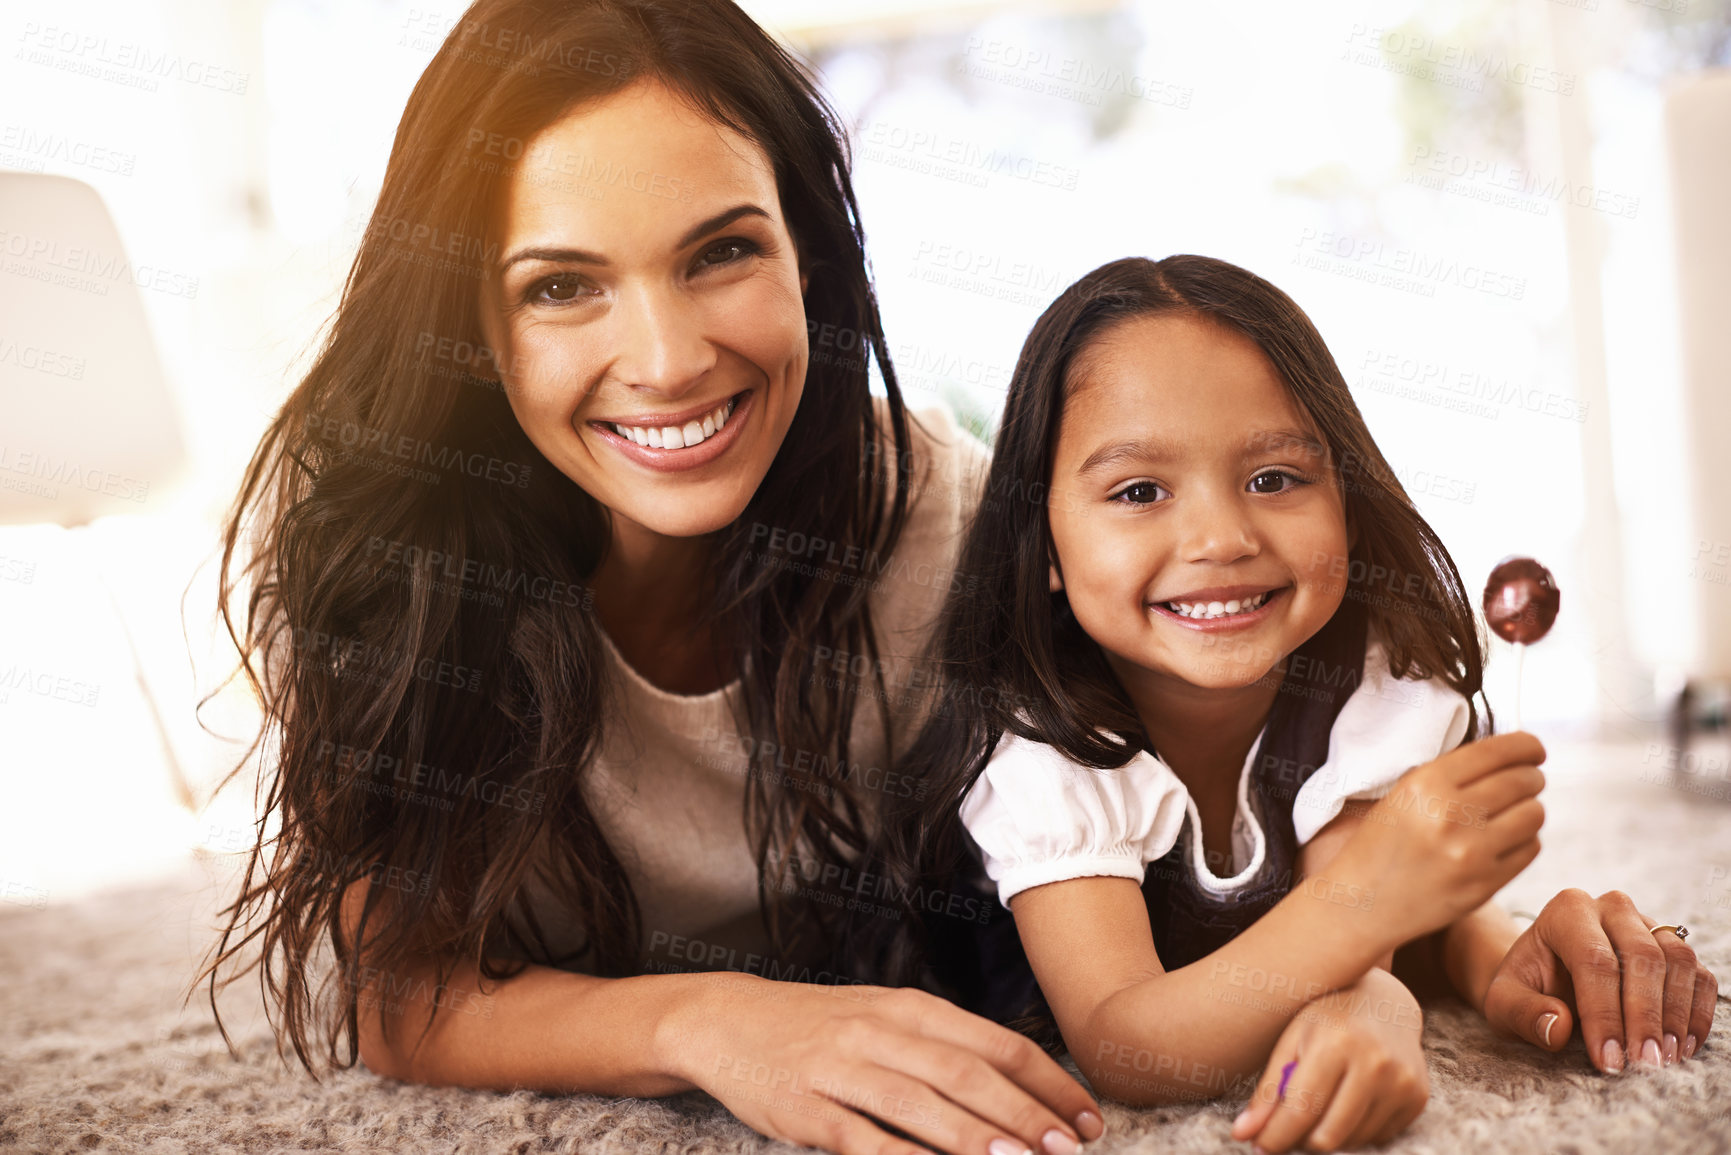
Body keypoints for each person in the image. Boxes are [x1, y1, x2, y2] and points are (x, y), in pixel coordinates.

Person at [201, 3, 1105, 1154]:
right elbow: (400, 993)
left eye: (723, 252)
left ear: (809, 260)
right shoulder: (376, 553)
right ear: (471, 321)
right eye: (561, 286)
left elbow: (1241, 809)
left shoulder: (943, 516)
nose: (671, 363)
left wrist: (1361, 992)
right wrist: (710, 1022)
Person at [864, 255, 1719, 1152]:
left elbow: (1353, 948)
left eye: (1273, 478)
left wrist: (1446, 965)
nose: (1222, 538)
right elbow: (1125, 1043)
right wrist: (1372, 930)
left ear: (1344, 493)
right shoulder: (1047, 743)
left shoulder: (1369, 685)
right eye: (1138, 491)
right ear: (1041, 545)